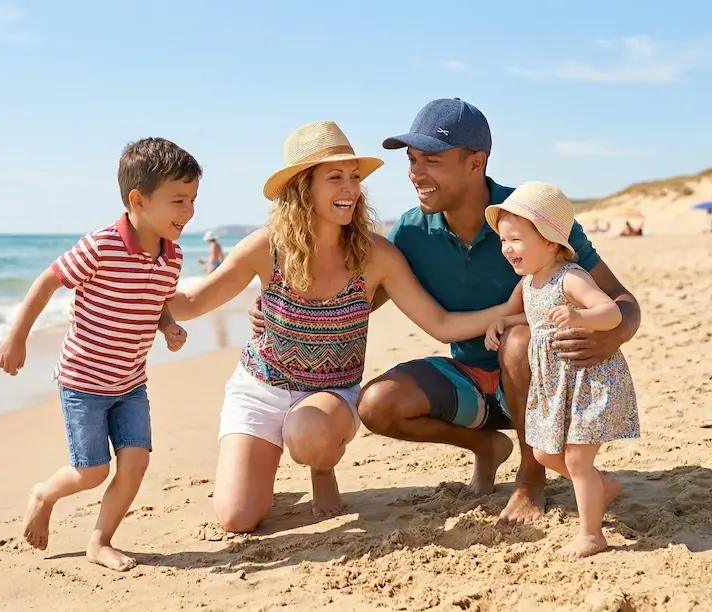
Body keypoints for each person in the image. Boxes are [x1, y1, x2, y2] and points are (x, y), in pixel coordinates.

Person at [249, 99, 641, 525]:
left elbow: (622, 301)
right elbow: (357, 302)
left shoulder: (531, 217)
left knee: (518, 339)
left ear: (476, 163)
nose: (416, 173)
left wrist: (610, 335)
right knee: (378, 404)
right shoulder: (411, 232)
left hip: (551, 385)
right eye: (412, 160)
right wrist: (284, 308)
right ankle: (486, 446)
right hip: (472, 384)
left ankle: (531, 480)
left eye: (431, 160)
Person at [164, 121, 514, 533]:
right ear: (301, 186)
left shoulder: (375, 254)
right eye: (335, 178)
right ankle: (262, 472)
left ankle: (321, 468)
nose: (350, 189)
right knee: (237, 519)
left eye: (354, 178)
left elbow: (439, 323)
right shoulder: (266, 246)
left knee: (308, 433)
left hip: (328, 397)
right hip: (260, 388)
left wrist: (507, 312)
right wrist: (121, 293)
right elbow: (191, 302)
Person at [0, 137, 197, 571]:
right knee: (91, 472)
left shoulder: (172, 255)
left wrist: (169, 326)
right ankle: (44, 494)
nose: (189, 211)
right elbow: (47, 282)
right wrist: (17, 337)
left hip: (130, 383)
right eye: (178, 200)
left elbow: (156, 301)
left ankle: (100, 541)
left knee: (136, 463)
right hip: (84, 383)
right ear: (137, 200)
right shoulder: (101, 245)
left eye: (193, 200)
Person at [484, 181, 639, 557]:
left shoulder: (571, 276)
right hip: (555, 386)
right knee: (544, 454)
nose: (507, 249)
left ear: (551, 242)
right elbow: (528, 316)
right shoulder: (529, 282)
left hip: (589, 381)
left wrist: (580, 315)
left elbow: (611, 311)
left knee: (574, 458)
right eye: (504, 241)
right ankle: (602, 487)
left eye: (517, 240)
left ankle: (592, 535)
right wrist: (499, 324)